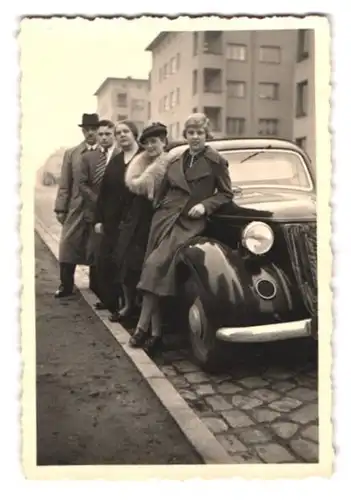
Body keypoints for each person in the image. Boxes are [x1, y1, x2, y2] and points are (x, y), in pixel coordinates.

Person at [129, 112, 233, 354]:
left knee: (154, 267)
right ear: (185, 135)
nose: (195, 137)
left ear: (207, 135)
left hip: (190, 222)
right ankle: (154, 334)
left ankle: (142, 328)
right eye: (191, 133)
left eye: (199, 133)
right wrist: (160, 207)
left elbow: (226, 193)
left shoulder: (216, 161)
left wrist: (205, 206)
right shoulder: (176, 160)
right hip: (164, 220)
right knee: (151, 270)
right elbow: (161, 192)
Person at [93, 120, 141, 319]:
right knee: (110, 260)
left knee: (130, 263)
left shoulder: (144, 157)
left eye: (126, 131)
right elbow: (103, 192)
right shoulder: (116, 159)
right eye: (118, 132)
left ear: (134, 134)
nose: (122, 135)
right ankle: (112, 300)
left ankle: (132, 306)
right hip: (113, 220)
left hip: (137, 221)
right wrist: (99, 219)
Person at [54, 113, 99, 298]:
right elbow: (65, 183)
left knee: (96, 246)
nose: (90, 133)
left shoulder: (106, 152)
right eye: (87, 130)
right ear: (82, 131)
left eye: (93, 129)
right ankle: (66, 285)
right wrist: (61, 208)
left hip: (97, 207)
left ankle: (97, 287)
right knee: (68, 245)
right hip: (76, 206)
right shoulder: (72, 153)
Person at [78, 119, 118, 299]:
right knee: (96, 254)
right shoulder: (88, 157)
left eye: (107, 134)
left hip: (117, 214)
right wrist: (98, 201)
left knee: (115, 254)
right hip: (95, 212)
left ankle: (113, 295)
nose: (103, 137)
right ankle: (97, 292)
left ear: (114, 135)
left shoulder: (120, 155)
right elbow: (82, 184)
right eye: (100, 134)